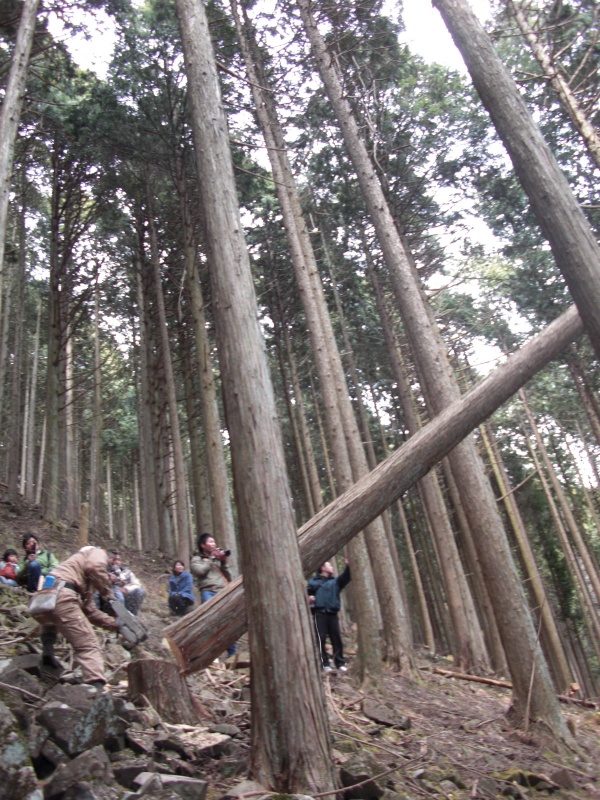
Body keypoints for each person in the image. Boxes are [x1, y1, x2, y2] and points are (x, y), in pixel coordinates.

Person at [36, 546, 119, 689]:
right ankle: (96, 687)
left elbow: (89, 611)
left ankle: (48, 653)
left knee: (51, 619)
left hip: (44, 597)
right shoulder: (98, 552)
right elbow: (95, 566)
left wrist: (115, 624)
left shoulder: (74, 572)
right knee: (89, 645)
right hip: (63, 595)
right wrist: (109, 596)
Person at [190, 533, 236, 657]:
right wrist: (210, 560)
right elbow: (199, 572)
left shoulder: (217, 561)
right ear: (202, 545)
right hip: (208, 591)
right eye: (210, 542)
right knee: (209, 621)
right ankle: (208, 653)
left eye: (214, 542)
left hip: (223, 591)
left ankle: (232, 654)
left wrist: (223, 562)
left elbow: (229, 577)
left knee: (226, 622)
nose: (214, 544)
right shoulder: (197, 559)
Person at [307, 557, 351, 672]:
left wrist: (348, 566)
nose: (332, 567)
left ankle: (340, 663)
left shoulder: (335, 582)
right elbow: (306, 595)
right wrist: (309, 598)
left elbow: (346, 578)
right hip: (319, 613)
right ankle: (324, 663)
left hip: (332, 613)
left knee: (336, 638)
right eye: (329, 565)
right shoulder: (313, 582)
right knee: (320, 639)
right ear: (323, 568)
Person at [107, 551, 146, 616]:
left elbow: (137, 584)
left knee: (140, 592)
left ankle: (132, 616)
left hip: (126, 596)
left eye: (118, 560)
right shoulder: (107, 570)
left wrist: (126, 589)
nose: (117, 562)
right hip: (110, 597)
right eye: (115, 559)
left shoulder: (126, 572)